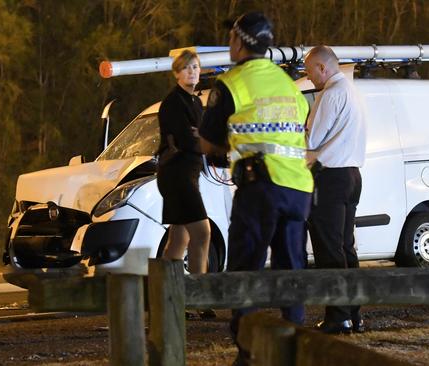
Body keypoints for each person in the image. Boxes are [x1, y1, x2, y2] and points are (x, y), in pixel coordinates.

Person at [199, 12, 313, 363]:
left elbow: (207, 142)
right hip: (299, 189)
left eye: (231, 38)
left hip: (260, 186)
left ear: (239, 41)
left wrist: (225, 151)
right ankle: (293, 351)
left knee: (245, 272)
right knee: (291, 273)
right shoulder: (288, 84)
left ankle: (248, 353)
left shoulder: (232, 83)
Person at [304, 45, 367, 334]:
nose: (309, 78)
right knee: (345, 247)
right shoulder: (354, 93)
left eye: (309, 71)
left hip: (329, 177)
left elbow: (313, 138)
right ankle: (354, 314)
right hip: (353, 174)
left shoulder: (330, 94)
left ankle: (337, 316)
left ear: (321, 67)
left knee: (329, 248)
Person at [156, 50, 214, 319]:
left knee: (178, 239)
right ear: (176, 73)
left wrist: (200, 135)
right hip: (176, 174)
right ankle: (196, 299)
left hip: (188, 173)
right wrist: (201, 137)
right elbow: (185, 139)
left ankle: (166, 296)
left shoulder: (195, 102)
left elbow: (201, 135)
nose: (192, 71)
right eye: (187, 68)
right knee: (202, 232)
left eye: (196, 67)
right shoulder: (172, 103)